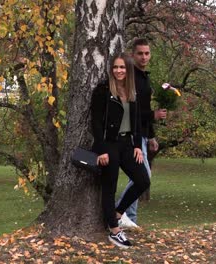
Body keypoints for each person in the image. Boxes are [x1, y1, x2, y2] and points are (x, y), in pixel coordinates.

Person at [91, 52, 150, 249]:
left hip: (127, 143)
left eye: (122, 67)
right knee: (110, 185)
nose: (119, 71)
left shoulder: (132, 91)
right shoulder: (103, 90)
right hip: (108, 144)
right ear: (111, 69)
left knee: (143, 179)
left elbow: (137, 122)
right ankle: (114, 231)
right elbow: (96, 123)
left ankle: (116, 214)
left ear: (128, 70)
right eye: (115, 67)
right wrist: (101, 150)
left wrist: (137, 146)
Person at [115, 38, 166, 226]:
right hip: (131, 134)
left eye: (147, 53)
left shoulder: (145, 77)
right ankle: (121, 214)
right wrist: (153, 114)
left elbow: (144, 108)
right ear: (133, 55)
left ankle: (127, 216)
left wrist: (151, 135)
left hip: (143, 133)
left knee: (142, 177)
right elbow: (132, 110)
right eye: (140, 53)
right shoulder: (131, 78)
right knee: (142, 176)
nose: (144, 57)